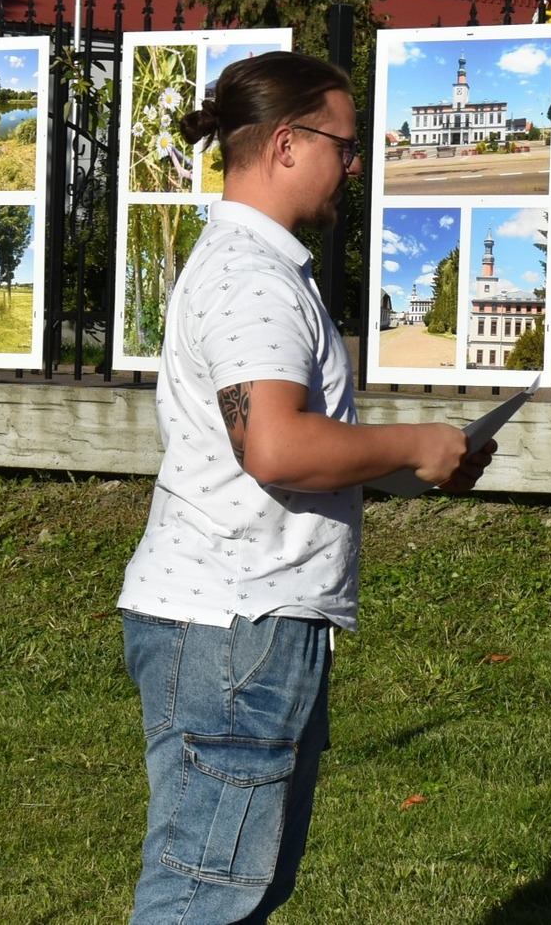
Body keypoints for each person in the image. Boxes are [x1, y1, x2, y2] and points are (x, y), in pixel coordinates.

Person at [118, 50, 492, 925]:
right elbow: (277, 448)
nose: (354, 165)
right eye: (345, 145)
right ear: (287, 144)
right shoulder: (253, 278)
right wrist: (414, 439)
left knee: (238, 886)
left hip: (240, 618)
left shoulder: (258, 267)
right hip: (236, 625)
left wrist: (413, 466)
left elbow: (273, 445)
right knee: (204, 896)